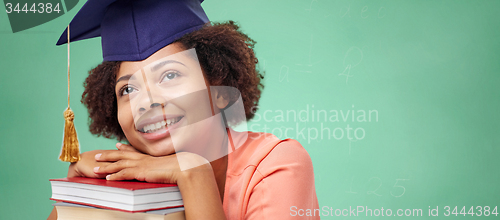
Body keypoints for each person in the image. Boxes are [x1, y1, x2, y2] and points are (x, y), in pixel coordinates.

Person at [48, 0, 319, 219]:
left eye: (170, 75)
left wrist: (194, 174)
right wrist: (84, 195)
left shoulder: (276, 163)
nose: (147, 101)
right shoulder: (125, 182)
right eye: (128, 90)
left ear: (220, 90)